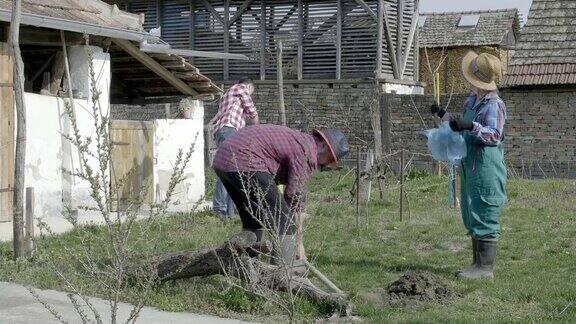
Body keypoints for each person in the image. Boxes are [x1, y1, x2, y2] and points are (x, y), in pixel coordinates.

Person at [212, 124, 349, 268]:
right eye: (330, 158)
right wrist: (298, 244)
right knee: (283, 220)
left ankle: (248, 267)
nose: (328, 164)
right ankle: (283, 274)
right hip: (246, 160)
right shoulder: (306, 151)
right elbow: (294, 195)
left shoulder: (299, 141)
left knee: (253, 219)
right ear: (323, 146)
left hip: (223, 160)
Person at [432, 51, 507, 279]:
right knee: (471, 209)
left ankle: (485, 269)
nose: (466, 81)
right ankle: (476, 265)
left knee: (484, 208)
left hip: (486, 166)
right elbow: (462, 125)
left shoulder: (494, 105)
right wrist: (445, 117)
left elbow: (494, 135)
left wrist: (470, 126)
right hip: (470, 163)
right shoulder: (472, 100)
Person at [212, 78, 259, 220]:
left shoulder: (228, 95)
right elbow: (252, 111)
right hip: (228, 130)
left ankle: (229, 212)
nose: (250, 94)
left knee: (232, 171)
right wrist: (258, 129)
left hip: (224, 131)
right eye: (252, 92)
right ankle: (220, 209)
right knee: (228, 170)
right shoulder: (240, 88)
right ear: (249, 86)